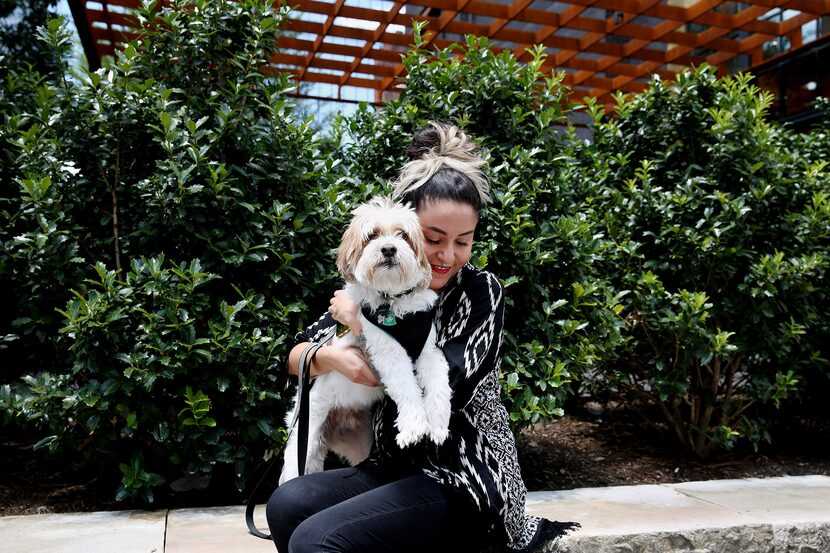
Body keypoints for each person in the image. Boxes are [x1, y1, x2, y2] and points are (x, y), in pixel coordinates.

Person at [266, 122, 578, 553]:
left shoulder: (480, 293)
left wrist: (361, 327)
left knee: (317, 540)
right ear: (407, 232)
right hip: (391, 465)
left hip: (463, 475)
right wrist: (333, 358)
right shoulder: (377, 287)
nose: (448, 255)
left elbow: (452, 381)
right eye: (434, 239)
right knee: (286, 504)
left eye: (463, 242)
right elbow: (296, 356)